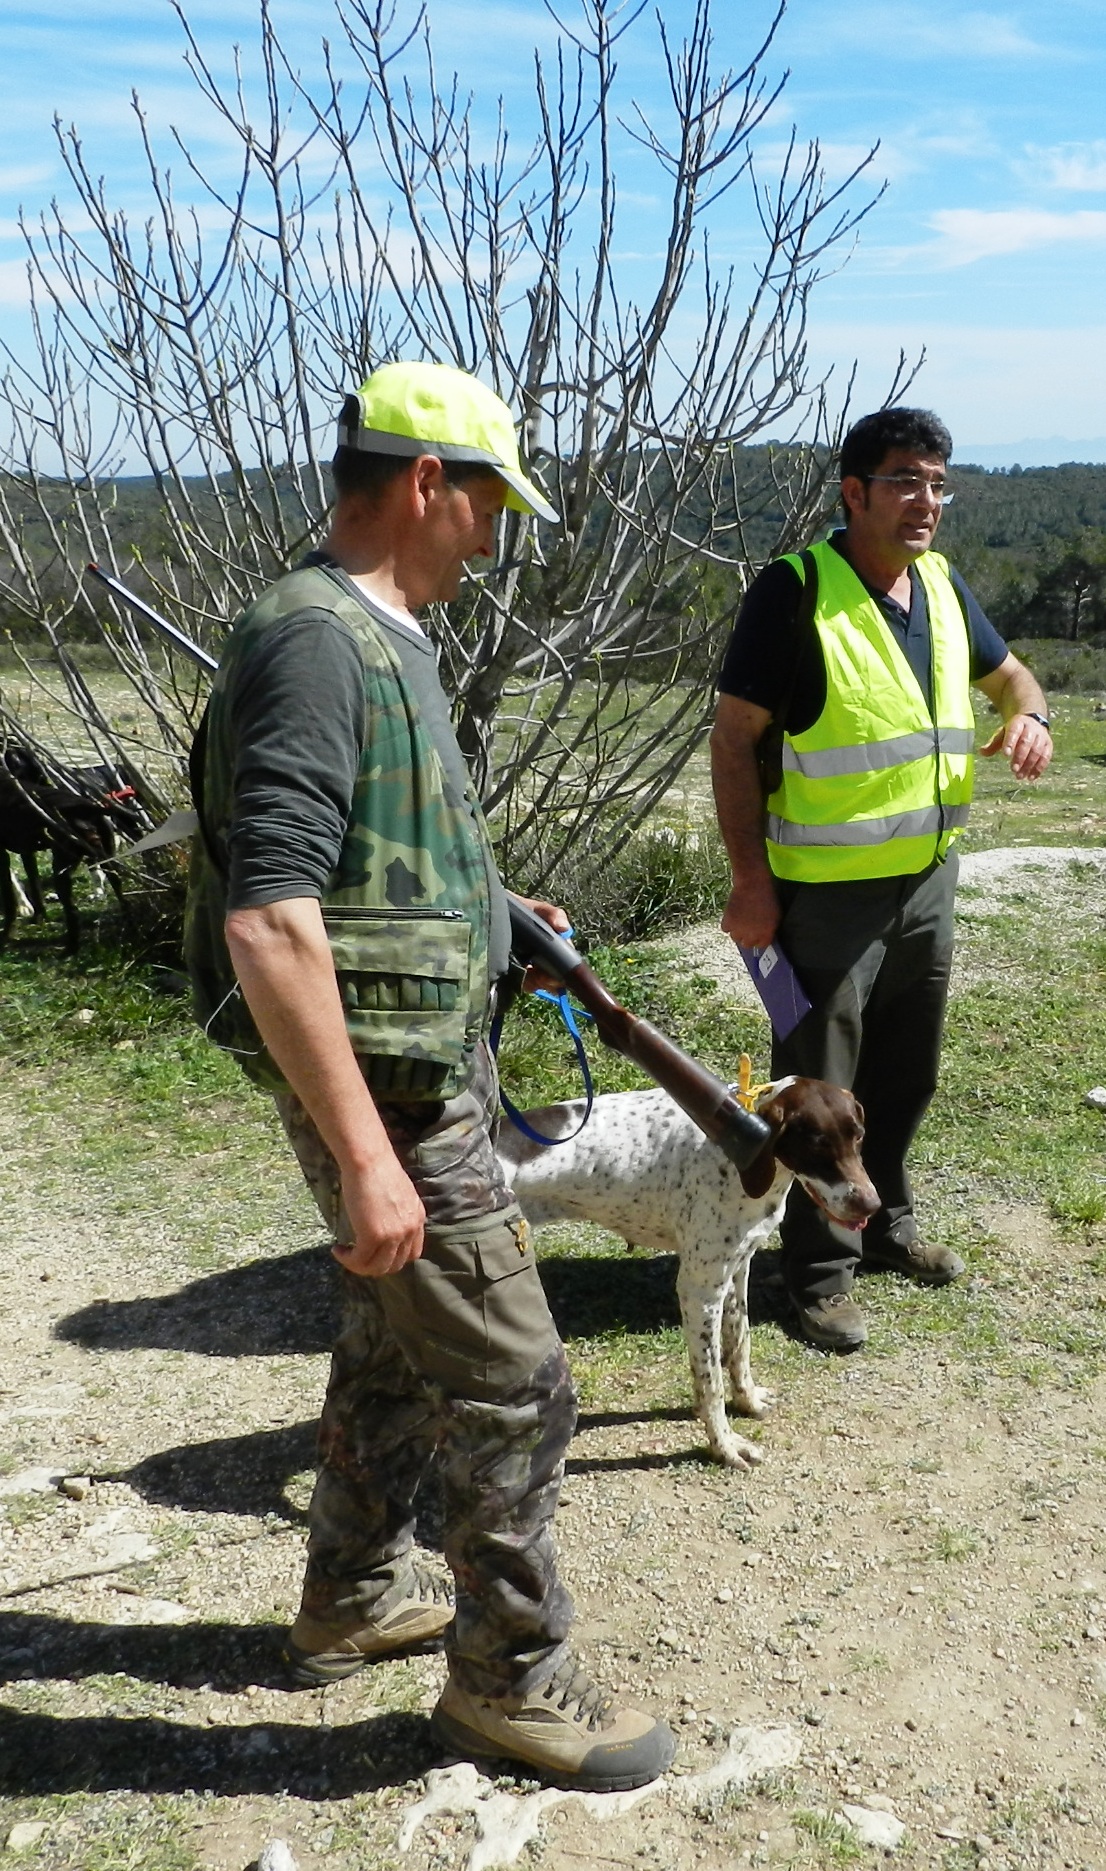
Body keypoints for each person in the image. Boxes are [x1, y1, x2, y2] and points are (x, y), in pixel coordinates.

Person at [184, 360, 675, 1791]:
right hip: (390, 1094)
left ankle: (348, 1594)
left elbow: (371, 852)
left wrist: (492, 910)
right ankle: (508, 1681)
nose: (495, 532)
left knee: (395, 1342)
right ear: (422, 484)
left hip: (417, 1065)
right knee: (518, 1382)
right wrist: (363, 1157)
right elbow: (270, 918)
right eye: (487, 502)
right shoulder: (318, 641)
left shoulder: (379, 632)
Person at [710, 407, 1052, 1353]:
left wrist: (1032, 718)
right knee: (820, 1095)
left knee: (906, 1074)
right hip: (824, 899)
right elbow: (733, 740)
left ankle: (888, 1222)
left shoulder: (940, 585)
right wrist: (750, 882)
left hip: (926, 884)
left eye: (938, 483)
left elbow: (1015, 678)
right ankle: (817, 1276)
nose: (925, 501)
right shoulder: (794, 592)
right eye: (905, 480)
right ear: (854, 492)